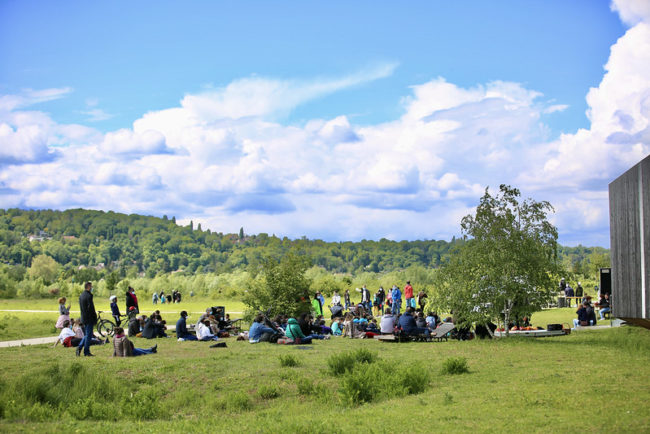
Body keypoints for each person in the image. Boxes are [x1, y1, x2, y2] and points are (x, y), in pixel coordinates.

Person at [77, 281, 98, 357]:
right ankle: (86, 351)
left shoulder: (81, 295)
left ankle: (79, 348)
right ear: (88, 287)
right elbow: (91, 308)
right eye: (91, 286)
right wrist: (94, 317)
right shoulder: (89, 296)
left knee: (87, 335)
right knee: (88, 335)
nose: (92, 288)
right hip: (89, 318)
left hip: (84, 317)